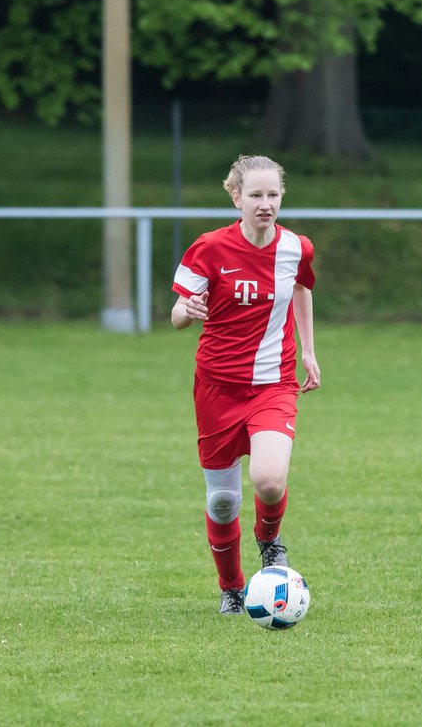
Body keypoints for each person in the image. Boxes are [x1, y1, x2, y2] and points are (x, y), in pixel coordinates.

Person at [171, 154, 320, 615]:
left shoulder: (298, 248)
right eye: (255, 195)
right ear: (235, 196)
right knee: (221, 501)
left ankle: (269, 541)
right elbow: (177, 314)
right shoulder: (209, 248)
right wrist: (186, 313)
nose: (265, 203)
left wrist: (309, 350)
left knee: (270, 480)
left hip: (273, 383)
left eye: (273, 194)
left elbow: (301, 287)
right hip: (216, 386)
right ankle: (232, 587)